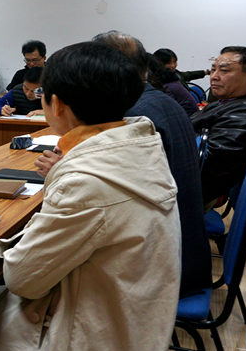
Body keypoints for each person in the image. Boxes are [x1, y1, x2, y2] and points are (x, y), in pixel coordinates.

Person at [0, 42, 180, 351]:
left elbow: (21, 279)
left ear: (57, 104)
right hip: (128, 325)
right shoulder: (140, 148)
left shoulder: (86, 183)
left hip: (82, 336)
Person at [91, 31, 212, 300]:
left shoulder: (132, 114)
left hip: (162, 266)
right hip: (187, 250)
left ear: (103, 68)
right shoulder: (160, 99)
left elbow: (108, 194)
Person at [192, 46, 246, 209]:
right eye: (213, 70)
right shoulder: (230, 103)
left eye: (224, 71)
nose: (214, 77)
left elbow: (205, 166)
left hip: (188, 198)